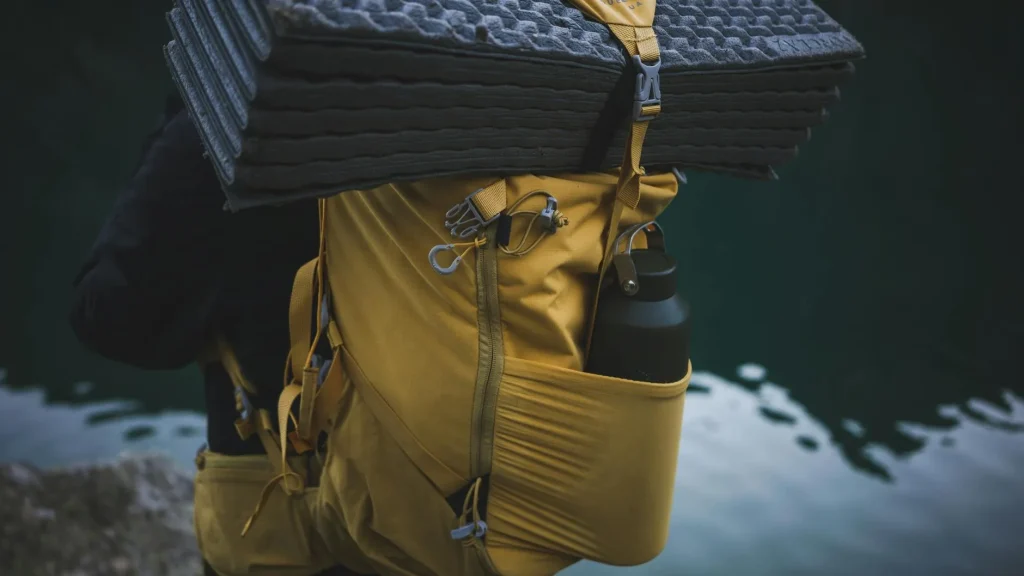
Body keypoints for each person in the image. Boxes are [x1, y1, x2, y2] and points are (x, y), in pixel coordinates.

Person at [68, 96, 359, 576]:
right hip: (459, 502)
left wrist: (174, 129)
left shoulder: (232, 122)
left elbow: (109, 317)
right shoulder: (475, 107)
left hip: (290, 514)